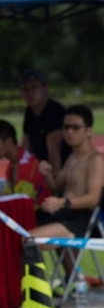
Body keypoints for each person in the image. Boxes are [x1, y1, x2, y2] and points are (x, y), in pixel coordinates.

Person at [29, 105, 104, 279]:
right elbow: (57, 187)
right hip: (63, 215)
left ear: (88, 131)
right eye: (66, 127)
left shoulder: (95, 160)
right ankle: (68, 280)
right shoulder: (72, 158)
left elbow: (93, 199)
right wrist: (47, 174)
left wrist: (63, 202)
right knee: (19, 231)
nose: (69, 132)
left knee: (28, 241)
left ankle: (39, 291)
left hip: (80, 221)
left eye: (75, 127)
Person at [0, 119, 52, 224]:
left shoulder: (28, 166)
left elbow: (23, 204)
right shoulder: (12, 166)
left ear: (9, 141)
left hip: (40, 219)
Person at [20, 69, 71, 177]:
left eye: (35, 87)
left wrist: (55, 181)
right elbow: (25, 148)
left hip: (63, 170)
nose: (30, 93)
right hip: (43, 169)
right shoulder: (29, 112)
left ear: (46, 88)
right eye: (25, 89)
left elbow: (54, 150)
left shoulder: (55, 111)